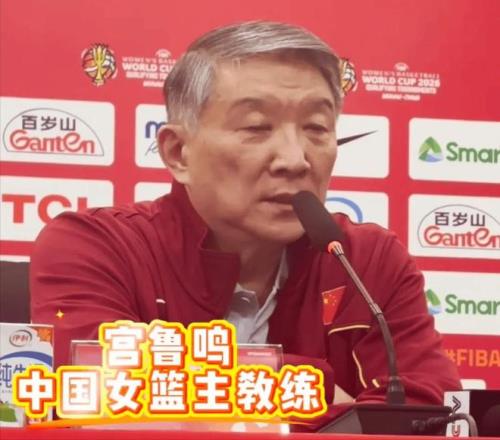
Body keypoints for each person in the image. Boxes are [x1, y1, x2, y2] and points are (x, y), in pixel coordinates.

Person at [31, 20, 460, 419]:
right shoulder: (95, 245)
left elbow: (428, 413)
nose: (294, 159)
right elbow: (96, 383)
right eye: (256, 127)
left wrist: (215, 383)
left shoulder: (366, 261)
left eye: (316, 127)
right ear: (178, 153)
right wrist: (318, 389)